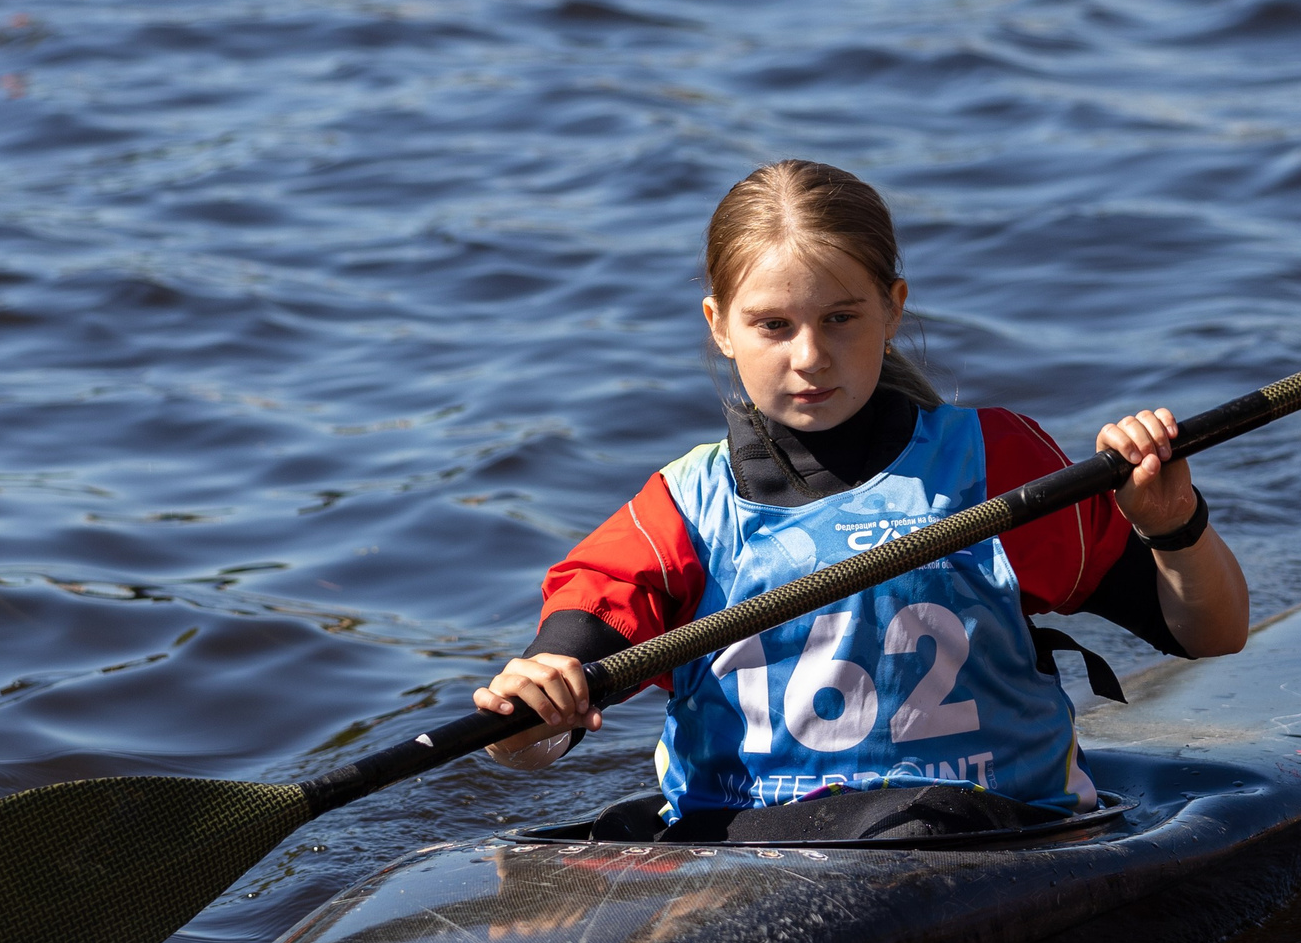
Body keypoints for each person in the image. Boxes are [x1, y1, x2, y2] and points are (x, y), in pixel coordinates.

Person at [471, 159, 1250, 824]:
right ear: (719, 326)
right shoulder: (678, 514)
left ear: (893, 308)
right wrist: (528, 713)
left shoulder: (997, 463)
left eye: (840, 318)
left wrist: (1173, 526)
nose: (811, 357)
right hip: (751, 855)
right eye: (773, 325)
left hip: (998, 834)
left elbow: (1208, 635)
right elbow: (535, 741)